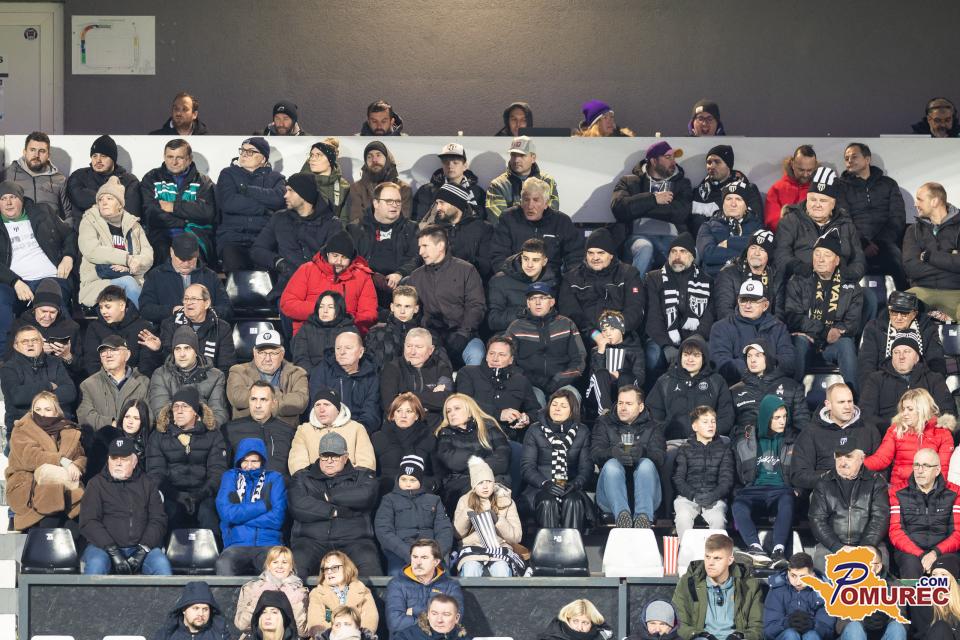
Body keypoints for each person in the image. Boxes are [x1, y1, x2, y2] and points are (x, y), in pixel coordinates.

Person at [288, 431, 381, 578]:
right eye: (325, 456)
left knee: (370, 568)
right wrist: (334, 511)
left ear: (345, 457)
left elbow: (366, 496)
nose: (329, 461)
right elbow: (298, 505)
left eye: (335, 456)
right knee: (295, 569)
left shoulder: (362, 477)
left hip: (355, 541)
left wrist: (328, 496)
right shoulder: (303, 477)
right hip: (310, 541)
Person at [0, 180, 76, 354]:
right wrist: (15, 282)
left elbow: (69, 235)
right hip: (15, 282)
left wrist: (68, 257)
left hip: (50, 276)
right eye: (3, 199)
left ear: (21, 199)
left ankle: (65, 355)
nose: (8, 203)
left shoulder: (42, 211)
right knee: (1, 299)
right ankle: (4, 356)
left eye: (13, 197)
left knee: (54, 300)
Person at [79, 435, 171, 575]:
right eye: (114, 458)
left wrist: (143, 549)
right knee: (96, 564)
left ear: (134, 462)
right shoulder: (96, 484)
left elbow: (158, 520)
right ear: (108, 460)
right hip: (102, 548)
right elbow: (88, 521)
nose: (118, 463)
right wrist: (112, 550)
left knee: (161, 564)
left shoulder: (148, 484)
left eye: (124, 459)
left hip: (141, 548)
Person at [784, 232, 863, 392]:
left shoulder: (851, 287)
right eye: (817, 254)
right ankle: (790, 397)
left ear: (837, 260)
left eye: (826, 255)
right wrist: (824, 331)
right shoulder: (798, 280)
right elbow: (793, 317)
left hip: (834, 343)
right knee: (798, 342)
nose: (820, 259)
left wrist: (836, 332)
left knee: (846, 344)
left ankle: (853, 398)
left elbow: (852, 324)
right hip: (807, 340)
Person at [146, 386, 228, 532]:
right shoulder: (159, 436)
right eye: (176, 406)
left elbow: (217, 473)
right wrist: (177, 496)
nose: (179, 411)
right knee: (168, 513)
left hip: (204, 494)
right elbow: (156, 474)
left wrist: (199, 495)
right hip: (171, 494)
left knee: (209, 514)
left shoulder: (212, 435)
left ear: (195, 411)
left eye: (185, 406)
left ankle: (215, 546)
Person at [251, 172, 343, 300]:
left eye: (290, 191)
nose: (285, 195)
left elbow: (335, 260)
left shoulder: (332, 224)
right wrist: (278, 262)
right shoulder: (279, 218)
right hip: (287, 288)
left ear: (304, 195)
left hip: (321, 291)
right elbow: (257, 250)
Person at [405, 225, 486, 367]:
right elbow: (412, 312)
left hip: (464, 335)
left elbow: (476, 306)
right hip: (431, 338)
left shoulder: (466, 270)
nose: (420, 252)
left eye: (425, 246)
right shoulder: (416, 276)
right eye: (420, 247)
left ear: (440, 246)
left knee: (476, 355)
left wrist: (463, 335)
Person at [4, 391, 85, 533]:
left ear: (56, 412)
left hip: (65, 486)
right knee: (50, 495)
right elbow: (31, 457)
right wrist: (63, 461)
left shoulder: (68, 430)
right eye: (38, 409)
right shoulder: (22, 429)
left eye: (47, 409)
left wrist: (77, 466)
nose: (42, 413)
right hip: (29, 485)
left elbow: (81, 457)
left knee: (77, 527)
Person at [732, 396, 798, 567]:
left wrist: (798, 489)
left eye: (784, 416)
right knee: (738, 504)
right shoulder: (746, 440)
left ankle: (778, 551)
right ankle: (755, 548)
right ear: (766, 418)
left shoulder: (793, 439)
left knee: (787, 501)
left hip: (781, 489)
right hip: (753, 489)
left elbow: (802, 467)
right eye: (777, 417)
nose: (782, 421)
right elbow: (736, 470)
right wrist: (737, 490)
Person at [612, 141, 693, 276]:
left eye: (674, 158)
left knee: (689, 253)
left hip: (671, 237)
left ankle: (682, 289)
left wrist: (640, 207)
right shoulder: (629, 181)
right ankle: (635, 288)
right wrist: (653, 199)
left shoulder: (681, 183)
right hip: (637, 237)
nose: (673, 162)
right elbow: (619, 209)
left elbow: (681, 213)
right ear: (654, 161)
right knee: (645, 248)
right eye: (668, 157)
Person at [774, 167, 866, 284]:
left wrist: (848, 275)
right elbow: (781, 255)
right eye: (813, 199)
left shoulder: (846, 224)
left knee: (869, 294)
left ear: (833, 204)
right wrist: (801, 269)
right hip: (800, 284)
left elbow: (858, 259)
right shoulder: (790, 221)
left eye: (823, 201)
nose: (817, 205)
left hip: (839, 285)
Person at [590, 385, 665, 528]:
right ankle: (622, 516)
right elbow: (594, 454)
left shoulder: (653, 426)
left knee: (646, 464)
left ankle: (643, 518)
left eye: (629, 404)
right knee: (612, 464)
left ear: (640, 407)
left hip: (647, 496)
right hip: (610, 497)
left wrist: (643, 453)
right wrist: (612, 452)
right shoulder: (604, 422)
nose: (623, 408)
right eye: (620, 403)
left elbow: (660, 457)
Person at [280, 231, 378, 336]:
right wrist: (322, 310)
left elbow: (369, 313)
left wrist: (345, 321)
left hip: (345, 334)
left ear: (351, 258)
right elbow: (287, 304)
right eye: (335, 256)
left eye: (344, 257)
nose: (339, 261)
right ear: (327, 254)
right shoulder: (307, 270)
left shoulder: (362, 276)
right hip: (309, 333)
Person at [522, 389, 594, 531]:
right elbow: (527, 467)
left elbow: (586, 468)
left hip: (570, 485)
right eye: (554, 404)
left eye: (563, 406)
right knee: (548, 502)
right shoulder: (535, 430)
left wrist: (575, 484)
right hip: (540, 486)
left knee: (573, 501)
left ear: (572, 411)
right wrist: (545, 483)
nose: (557, 409)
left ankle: (572, 544)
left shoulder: (582, 431)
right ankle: (549, 544)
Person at [838, 142, 908, 289]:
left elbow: (897, 217)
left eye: (854, 157)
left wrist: (879, 243)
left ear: (867, 159)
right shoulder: (840, 186)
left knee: (896, 259)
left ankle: (904, 301)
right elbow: (843, 219)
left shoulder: (888, 184)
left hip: (885, 243)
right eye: (846, 158)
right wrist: (863, 244)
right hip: (854, 243)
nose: (849, 161)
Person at [643, 233, 715, 375]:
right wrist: (666, 346)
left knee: (711, 354)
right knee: (653, 356)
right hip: (662, 337)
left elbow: (709, 316)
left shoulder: (706, 281)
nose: (677, 256)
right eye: (673, 251)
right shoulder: (654, 278)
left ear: (692, 256)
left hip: (696, 337)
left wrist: (692, 344)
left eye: (683, 251)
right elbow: (653, 317)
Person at [77, 176, 153, 308]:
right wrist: (126, 259)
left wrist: (133, 264)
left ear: (120, 204)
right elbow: (91, 250)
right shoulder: (89, 221)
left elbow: (148, 255)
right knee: (128, 282)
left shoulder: (134, 225)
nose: (104, 202)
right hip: (99, 281)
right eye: (100, 199)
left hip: (132, 277)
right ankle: (145, 318)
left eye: (109, 198)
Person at [808, 446, 889, 571]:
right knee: (822, 563)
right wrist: (837, 547)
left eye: (848, 457)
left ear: (862, 459)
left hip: (869, 544)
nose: (842, 462)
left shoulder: (876, 481)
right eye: (838, 456)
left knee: (878, 563)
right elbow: (817, 519)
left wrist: (864, 548)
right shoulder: (823, 482)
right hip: (832, 546)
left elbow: (880, 517)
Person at [215, 438, 287, 576]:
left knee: (276, 567)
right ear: (239, 461)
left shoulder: (274, 478)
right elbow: (226, 514)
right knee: (224, 563)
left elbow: (277, 518)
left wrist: (239, 518)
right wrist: (263, 505)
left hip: (269, 544)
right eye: (245, 461)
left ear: (262, 461)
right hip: (237, 544)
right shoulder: (230, 477)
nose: (249, 465)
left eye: (254, 461)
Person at [672, 533, 763, 640]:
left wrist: (739, 636)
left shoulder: (749, 585)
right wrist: (702, 635)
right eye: (707, 557)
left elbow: (757, 628)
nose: (710, 563)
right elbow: (680, 625)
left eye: (717, 558)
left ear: (730, 560)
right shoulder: (688, 583)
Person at [139, 138, 217, 263]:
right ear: (164, 157)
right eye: (170, 157)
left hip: (194, 234)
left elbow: (207, 213)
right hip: (161, 234)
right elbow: (150, 214)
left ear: (189, 159)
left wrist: (173, 207)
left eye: (179, 157)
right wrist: (184, 220)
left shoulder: (203, 181)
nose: (174, 162)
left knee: (191, 253)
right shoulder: (151, 178)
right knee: (160, 254)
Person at [489, 177, 583, 280]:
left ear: (546, 203)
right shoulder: (508, 218)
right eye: (526, 200)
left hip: (552, 281)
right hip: (515, 279)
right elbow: (498, 256)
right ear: (521, 201)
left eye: (536, 200)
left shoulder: (562, 221)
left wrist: (568, 281)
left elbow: (575, 257)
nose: (530, 206)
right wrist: (516, 276)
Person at [506, 282, 586, 404]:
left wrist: (558, 380)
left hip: (561, 384)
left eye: (543, 298)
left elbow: (579, 359)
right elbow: (508, 361)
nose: (538, 302)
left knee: (571, 398)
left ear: (552, 302)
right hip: (530, 384)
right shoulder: (516, 327)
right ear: (528, 303)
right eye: (533, 298)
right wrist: (535, 380)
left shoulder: (566, 324)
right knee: (536, 400)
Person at [791, 383, 880, 491]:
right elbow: (799, 475)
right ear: (828, 405)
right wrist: (832, 477)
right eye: (841, 402)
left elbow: (881, 469)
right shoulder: (810, 432)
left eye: (850, 401)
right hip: (824, 493)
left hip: (862, 492)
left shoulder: (869, 430)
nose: (847, 407)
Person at [215, 137, 286, 272]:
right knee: (234, 265)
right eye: (242, 150)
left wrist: (246, 190)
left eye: (251, 151)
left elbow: (278, 200)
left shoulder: (276, 178)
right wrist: (264, 208)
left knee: (271, 268)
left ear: (263, 159)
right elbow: (229, 202)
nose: (244, 154)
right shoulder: (228, 174)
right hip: (233, 238)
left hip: (264, 238)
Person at [376, 454, 454, 576]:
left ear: (420, 481)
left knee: (442, 578)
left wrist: (435, 553)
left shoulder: (434, 500)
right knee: (399, 576)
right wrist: (409, 554)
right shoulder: (388, 500)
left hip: (430, 552)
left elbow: (444, 529)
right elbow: (384, 531)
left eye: (412, 480)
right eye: (403, 479)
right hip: (400, 553)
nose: (407, 484)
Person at [559, 227, 643, 340]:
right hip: (585, 340)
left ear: (611, 255)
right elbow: (571, 313)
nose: (595, 258)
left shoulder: (628, 274)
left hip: (623, 337)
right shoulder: (571, 279)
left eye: (601, 253)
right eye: (590, 253)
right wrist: (594, 334)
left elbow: (635, 308)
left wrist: (618, 329)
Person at [888, 448, 960, 578]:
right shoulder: (897, 492)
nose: (920, 471)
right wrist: (920, 555)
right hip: (910, 551)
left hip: (944, 551)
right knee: (911, 568)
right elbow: (895, 531)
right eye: (916, 465)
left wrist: (935, 553)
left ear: (937, 470)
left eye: (926, 466)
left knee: (942, 572)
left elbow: (957, 533)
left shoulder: (955, 492)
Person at [864, 387, 954, 491]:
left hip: (929, 491)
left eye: (910, 409)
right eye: (903, 409)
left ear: (922, 410)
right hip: (900, 489)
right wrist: (858, 464)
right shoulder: (896, 430)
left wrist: (933, 493)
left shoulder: (942, 433)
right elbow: (881, 459)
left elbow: (943, 469)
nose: (904, 413)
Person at [347, 181, 420, 309]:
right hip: (365, 286)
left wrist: (400, 273)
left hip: (399, 288)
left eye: (398, 201)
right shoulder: (355, 229)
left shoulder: (411, 228)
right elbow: (351, 261)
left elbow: (416, 257)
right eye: (389, 201)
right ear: (376, 203)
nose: (395, 205)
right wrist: (370, 275)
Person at [647, 335, 734, 442]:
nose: (690, 359)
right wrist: (667, 433)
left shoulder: (716, 381)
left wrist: (709, 433)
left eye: (696, 355)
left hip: (709, 441)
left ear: (704, 358)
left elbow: (726, 416)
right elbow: (653, 415)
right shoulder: (665, 381)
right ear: (680, 356)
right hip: (674, 442)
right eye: (686, 354)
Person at [434, 394, 511, 513]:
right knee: (476, 495)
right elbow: (452, 461)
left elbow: (502, 461)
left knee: (495, 490)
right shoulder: (445, 434)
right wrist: (481, 459)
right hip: (460, 483)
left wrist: (474, 466)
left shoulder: (489, 428)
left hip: (493, 479)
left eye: (457, 408)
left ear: (470, 411)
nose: (452, 413)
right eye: (448, 411)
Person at [860, 338, 954, 436]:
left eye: (907, 352)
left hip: (926, 434)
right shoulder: (876, 379)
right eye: (896, 352)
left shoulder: (934, 379)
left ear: (917, 357)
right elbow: (866, 414)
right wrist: (895, 426)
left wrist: (924, 427)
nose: (901, 356)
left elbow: (948, 412)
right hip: (888, 434)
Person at [709, 280, 795, 385]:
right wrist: (755, 369)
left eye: (753, 301)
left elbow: (789, 362)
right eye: (743, 300)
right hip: (737, 386)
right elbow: (720, 363)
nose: (747, 306)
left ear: (765, 305)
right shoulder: (721, 327)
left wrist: (765, 374)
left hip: (773, 385)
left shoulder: (778, 327)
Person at [0, 326, 77, 442]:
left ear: (42, 343)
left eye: (35, 340)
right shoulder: (9, 368)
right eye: (25, 341)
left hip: (56, 427)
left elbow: (70, 393)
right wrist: (48, 386)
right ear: (16, 346)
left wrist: (30, 394)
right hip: (23, 429)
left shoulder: (55, 362)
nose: (30, 344)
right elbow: (17, 396)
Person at [139, 233, 231, 325]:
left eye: (190, 258)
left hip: (205, 329)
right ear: (171, 252)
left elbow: (227, 309)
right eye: (181, 259)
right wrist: (172, 311)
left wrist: (205, 312)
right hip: (168, 331)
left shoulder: (210, 276)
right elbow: (145, 309)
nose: (186, 264)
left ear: (197, 254)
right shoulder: (155, 276)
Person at [453, 456, 523, 577]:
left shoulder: (507, 500)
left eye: (489, 482)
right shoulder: (464, 500)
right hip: (473, 547)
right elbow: (456, 534)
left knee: (501, 570)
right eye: (480, 483)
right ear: (474, 486)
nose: (485, 486)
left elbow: (516, 537)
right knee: (470, 569)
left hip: (499, 548)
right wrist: (466, 515)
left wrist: (498, 521)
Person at [456, 334, 540, 435]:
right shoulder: (468, 372)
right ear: (486, 356)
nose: (495, 358)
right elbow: (463, 403)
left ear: (511, 360)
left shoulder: (521, 381)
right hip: (471, 434)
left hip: (506, 437)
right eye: (491, 353)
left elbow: (536, 411)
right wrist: (499, 414)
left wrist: (526, 418)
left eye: (501, 355)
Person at [672, 406, 734, 541]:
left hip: (714, 497)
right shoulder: (685, 449)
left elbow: (726, 480)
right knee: (683, 517)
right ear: (694, 426)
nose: (710, 425)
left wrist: (713, 495)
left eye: (713, 421)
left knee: (718, 519)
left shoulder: (724, 449)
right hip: (688, 497)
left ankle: (714, 552)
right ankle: (686, 552)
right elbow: (678, 478)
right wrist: (693, 495)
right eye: (705, 422)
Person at [148, 325, 229, 427]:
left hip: (203, 432)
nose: (182, 354)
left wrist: (198, 428)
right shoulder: (160, 375)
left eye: (187, 348)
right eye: (177, 349)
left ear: (196, 352)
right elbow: (161, 411)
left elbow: (219, 413)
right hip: (171, 432)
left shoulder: (216, 376)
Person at [859, 290, 945, 382]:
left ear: (914, 314)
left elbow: (936, 363)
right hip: (883, 382)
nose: (898, 318)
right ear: (889, 311)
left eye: (904, 314)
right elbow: (867, 366)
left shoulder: (927, 328)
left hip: (919, 382)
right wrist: (871, 388)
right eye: (894, 312)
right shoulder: (874, 328)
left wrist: (930, 387)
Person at [226, 330, 309, 427]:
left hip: (284, 429)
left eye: (273, 353)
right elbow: (237, 398)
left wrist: (257, 400)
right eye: (262, 353)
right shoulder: (238, 371)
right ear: (254, 353)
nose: (267, 359)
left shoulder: (297, 373)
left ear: (282, 354)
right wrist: (277, 400)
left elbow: (299, 402)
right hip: (247, 428)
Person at [903, 183, 960, 322]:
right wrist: (950, 260)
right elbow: (911, 267)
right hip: (922, 290)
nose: (915, 204)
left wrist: (928, 257)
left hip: (956, 292)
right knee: (898, 306)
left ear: (934, 201)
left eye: (920, 199)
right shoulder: (913, 230)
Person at [385, 539, 465, 634]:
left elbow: (454, 620)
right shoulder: (397, 584)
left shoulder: (451, 585)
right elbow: (396, 623)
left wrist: (414, 610)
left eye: (424, 558)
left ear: (436, 562)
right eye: (415, 557)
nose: (418, 562)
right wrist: (437, 620)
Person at [289, 386, 375, 475]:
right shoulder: (304, 430)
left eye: (326, 405)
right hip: (314, 479)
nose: (321, 409)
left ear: (338, 409)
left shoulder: (356, 428)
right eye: (317, 405)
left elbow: (366, 462)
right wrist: (308, 479)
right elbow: (297, 461)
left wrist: (353, 479)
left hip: (349, 479)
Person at [729, 342, 809, 436]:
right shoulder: (735, 390)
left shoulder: (791, 386)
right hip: (748, 442)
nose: (752, 360)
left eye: (758, 355)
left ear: (768, 357)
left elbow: (803, 425)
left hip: (783, 442)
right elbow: (730, 427)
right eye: (749, 356)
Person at [380, 328, 454, 430]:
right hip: (401, 429)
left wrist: (407, 396)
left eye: (419, 347)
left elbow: (446, 400)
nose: (412, 352)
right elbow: (390, 405)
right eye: (409, 346)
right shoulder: (392, 368)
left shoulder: (441, 367)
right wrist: (430, 401)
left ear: (431, 350)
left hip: (434, 428)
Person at [82, 285, 162, 377]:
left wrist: (131, 382)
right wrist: (108, 381)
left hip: (137, 382)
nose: (103, 311)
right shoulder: (94, 327)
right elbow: (91, 362)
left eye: (107, 307)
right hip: (102, 382)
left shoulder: (143, 327)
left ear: (122, 306)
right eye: (101, 307)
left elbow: (147, 364)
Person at [310, 331, 381, 433]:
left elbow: (371, 413)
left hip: (359, 431)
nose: (342, 352)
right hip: (326, 430)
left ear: (361, 352)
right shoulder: (321, 370)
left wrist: (354, 431)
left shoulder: (371, 376)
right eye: (338, 348)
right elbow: (317, 407)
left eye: (348, 348)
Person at [420, 182, 494, 279]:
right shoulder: (432, 230)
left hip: (469, 280)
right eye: (437, 203)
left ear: (457, 204)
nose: (438, 208)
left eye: (442, 203)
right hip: (436, 280)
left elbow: (486, 265)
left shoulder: (483, 228)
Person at [77, 334, 150, 432]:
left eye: (114, 350)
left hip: (134, 439)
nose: (108, 355)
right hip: (101, 439)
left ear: (127, 355)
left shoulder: (144, 382)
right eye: (103, 352)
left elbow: (150, 416)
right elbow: (85, 417)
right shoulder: (88, 385)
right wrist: (114, 424)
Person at [221, 381, 294, 477]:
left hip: (279, 485)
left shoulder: (288, 432)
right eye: (253, 399)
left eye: (263, 400)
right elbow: (221, 469)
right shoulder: (230, 429)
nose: (258, 405)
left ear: (273, 403)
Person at [233, 546, 308, 639]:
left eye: (284, 562)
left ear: (291, 566)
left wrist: (295, 602)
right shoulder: (252, 588)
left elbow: (303, 632)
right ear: (268, 566)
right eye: (275, 562)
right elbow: (242, 625)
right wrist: (258, 598)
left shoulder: (300, 592)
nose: (280, 566)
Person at [7, 277, 81, 370]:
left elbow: (81, 368)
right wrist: (36, 353)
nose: (47, 316)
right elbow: (8, 360)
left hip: (60, 377)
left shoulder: (71, 327)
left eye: (53, 312)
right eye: (43, 311)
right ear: (35, 309)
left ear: (58, 311)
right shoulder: (19, 325)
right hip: (27, 376)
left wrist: (67, 356)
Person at [1, 132, 73, 227]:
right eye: (32, 150)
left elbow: (69, 214)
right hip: (18, 230)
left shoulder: (59, 180)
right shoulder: (7, 174)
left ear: (48, 155)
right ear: (25, 152)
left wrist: (63, 227)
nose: (36, 155)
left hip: (50, 231)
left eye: (42, 151)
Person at [159, 283, 235, 371]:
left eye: (194, 299)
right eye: (186, 299)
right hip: (176, 377)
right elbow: (167, 362)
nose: (188, 303)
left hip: (210, 377)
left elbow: (226, 366)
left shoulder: (221, 328)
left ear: (206, 303)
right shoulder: (170, 324)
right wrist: (159, 349)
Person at [834, 546, 906, 640]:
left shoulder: (895, 585)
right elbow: (840, 624)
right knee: (854, 628)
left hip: (883, 635)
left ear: (878, 567)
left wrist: (886, 618)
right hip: (855, 634)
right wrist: (863, 619)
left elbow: (903, 619)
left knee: (897, 628)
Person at [697, 180, 764, 279]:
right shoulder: (708, 226)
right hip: (715, 278)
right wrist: (746, 255)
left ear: (746, 205)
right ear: (723, 203)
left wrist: (730, 242)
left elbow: (762, 252)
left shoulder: (756, 226)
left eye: (738, 199)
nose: (733, 204)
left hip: (747, 279)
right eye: (728, 199)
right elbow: (708, 255)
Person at [487, 238, 557, 332]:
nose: (529, 265)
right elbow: (493, 321)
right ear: (521, 258)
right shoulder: (499, 280)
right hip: (509, 334)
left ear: (544, 262)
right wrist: (525, 313)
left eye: (535, 260)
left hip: (543, 334)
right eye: (526, 259)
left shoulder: (552, 281)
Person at [372, 394, 437, 494]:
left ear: (417, 416)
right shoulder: (378, 438)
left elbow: (438, 475)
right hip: (387, 494)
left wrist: (426, 486)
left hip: (419, 494)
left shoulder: (429, 438)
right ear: (392, 415)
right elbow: (371, 474)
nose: (403, 415)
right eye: (399, 411)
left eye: (409, 411)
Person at [690, 145, 762, 237]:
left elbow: (756, 221)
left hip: (739, 241)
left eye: (717, 162)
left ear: (728, 165)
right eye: (709, 162)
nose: (712, 166)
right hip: (706, 242)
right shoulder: (699, 192)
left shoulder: (747, 190)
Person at [762, 552, 835, 640]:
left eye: (802, 577)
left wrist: (813, 624)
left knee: (812, 636)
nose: (797, 582)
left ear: (813, 575)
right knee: (791, 634)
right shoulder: (777, 589)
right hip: (785, 636)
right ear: (788, 573)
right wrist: (785, 623)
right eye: (793, 576)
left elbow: (829, 633)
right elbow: (768, 632)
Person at [305, 550, 379, 636]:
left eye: (334, 568)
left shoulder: (363, 591)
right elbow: (315, 624)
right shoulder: (317, 593)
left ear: (346, 568)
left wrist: (353, 635)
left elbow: (370, 620)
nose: (329, 572)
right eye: (326, 569)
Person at [586, 310, 646, 416]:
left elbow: (640, 378)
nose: (608, 333)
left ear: (621, 330)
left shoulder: (635, 349)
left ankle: (624, 411)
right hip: (600, 395)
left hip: (624, 389)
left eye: (612, 329)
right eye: (604, 330)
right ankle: (606, 413)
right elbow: (593, 378)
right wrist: (601, 351)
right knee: (601, 373)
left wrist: (619, 374)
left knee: (626, 377)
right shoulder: (597, 351)